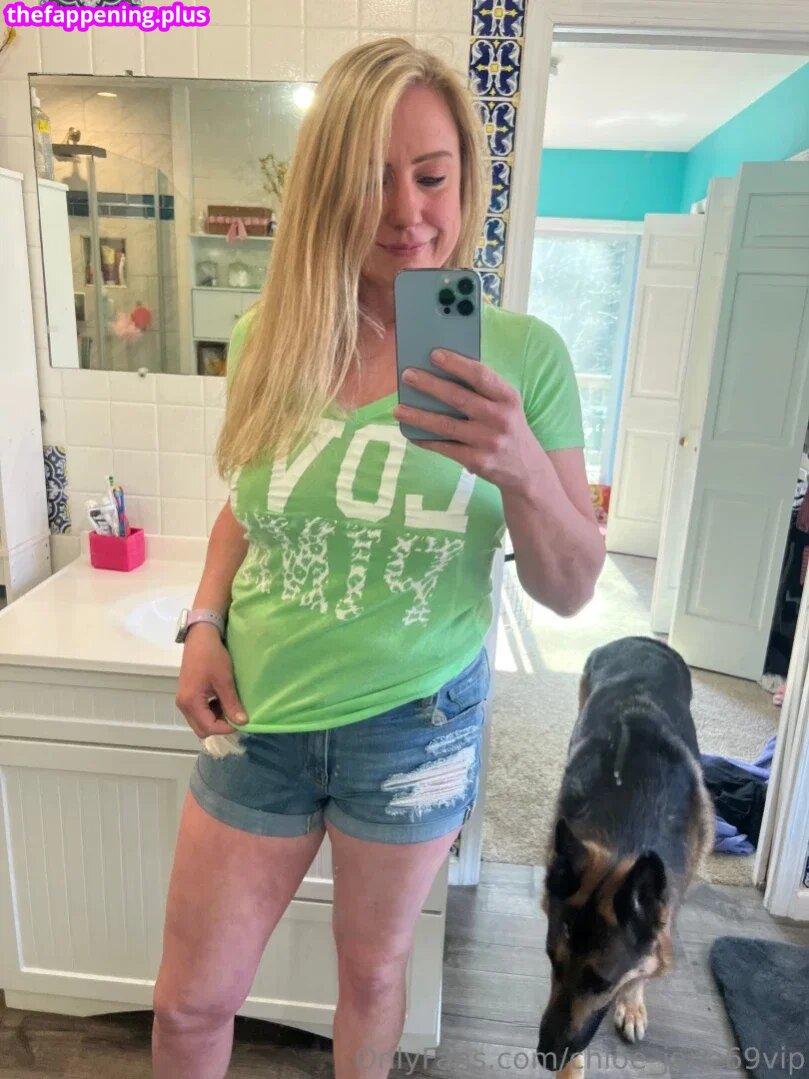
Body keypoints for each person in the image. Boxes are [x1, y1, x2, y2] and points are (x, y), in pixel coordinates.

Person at [152, 37, 605, 1079]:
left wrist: (521, 467)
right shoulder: (271, 335)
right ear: (325, 192)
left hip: (414, 724)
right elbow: (247, 505)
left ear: (465, 180)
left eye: (430, 176)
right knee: (187, 1004)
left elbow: (570, 585)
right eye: (370, 179)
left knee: (372, 976)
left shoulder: (524, 357)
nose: (407, 211)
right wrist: (204, 621)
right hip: (258, 716)